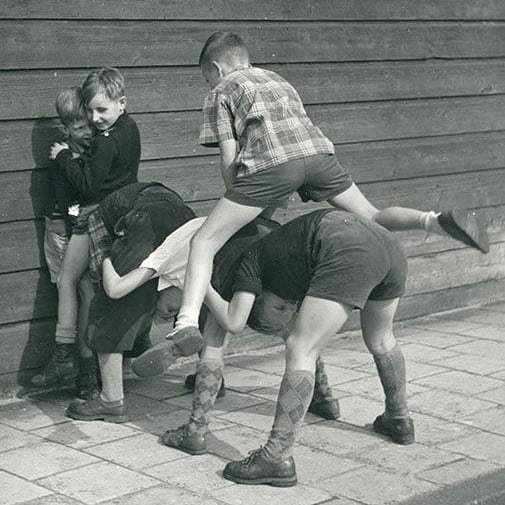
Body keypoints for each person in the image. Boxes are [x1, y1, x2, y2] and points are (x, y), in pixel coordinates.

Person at [170, 30, 489, 353]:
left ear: (216, 68)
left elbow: (229, 157)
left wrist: (237, 197)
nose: (208, 84)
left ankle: (184, 323)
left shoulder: (222, 90)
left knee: (204, 241)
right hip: (319, 157)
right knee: (371, 215)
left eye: (206, 77)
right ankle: (433, 220)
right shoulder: (278, 80)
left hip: (273, 165)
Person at [161, 208, 413, 487]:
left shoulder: (238, 265)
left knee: (300, 347)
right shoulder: (283, 258)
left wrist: (201, 285)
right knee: (379, 338)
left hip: (340, 240)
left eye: (281, 307)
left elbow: (229, 326)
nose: (287, 310)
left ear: (256, 292)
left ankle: (275, 457)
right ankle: (397, 417)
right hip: (387, 245)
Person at [36, 68, 141, 392]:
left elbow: (88, 188)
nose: (93, 123)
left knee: (78, 285)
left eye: (98, 113)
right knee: (92, 289)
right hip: (103, 218)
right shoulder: (125, 128)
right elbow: (73, 196)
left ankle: (74, 361)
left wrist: (67, 157)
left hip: (95, 220)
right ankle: (88, 369)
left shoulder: (104, 143)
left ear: (120, 104)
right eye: (84, 120)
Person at [33, 87, 97, 398]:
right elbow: (69, 202)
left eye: (90, 125)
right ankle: (73, 364)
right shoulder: (62, 157)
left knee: (86, 292)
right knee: (73, 288)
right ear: (66, 128)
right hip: (63, 231)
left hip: (83, 231)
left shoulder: (94, 151)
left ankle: (83, 367)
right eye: (80, 127)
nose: (87, 132)